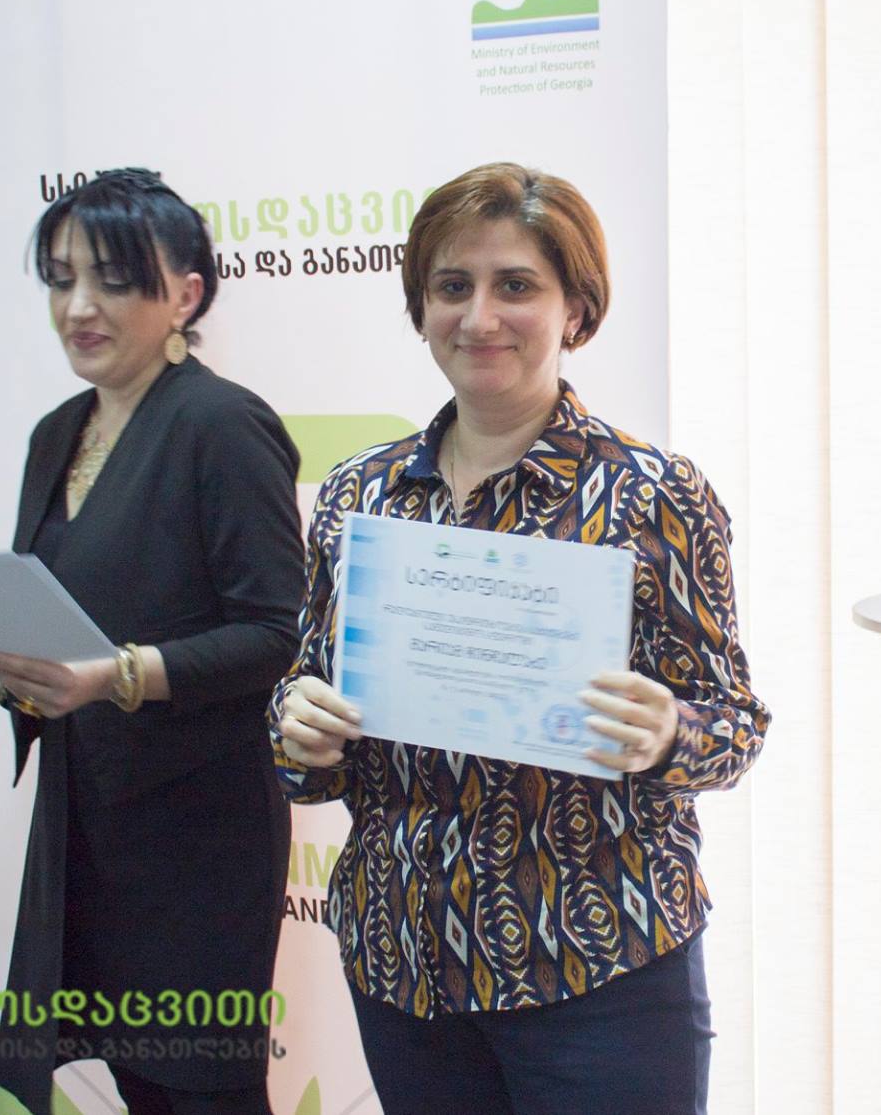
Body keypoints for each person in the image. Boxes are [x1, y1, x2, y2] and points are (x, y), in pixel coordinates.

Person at [270, 163, 765, 1115]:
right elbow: (306, 701)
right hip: (404, 962)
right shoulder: (359, 494)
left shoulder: (653, 493)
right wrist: (299, 729)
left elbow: (736, 722)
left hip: (597, 967)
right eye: (453, 286)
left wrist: (671, 732)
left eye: (517, 285)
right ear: (421, 307)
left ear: (576, 309)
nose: (480, 316)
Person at [0, 169, 305, 1115]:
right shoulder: (57, 433)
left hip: (199, 835)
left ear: (184, 295)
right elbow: (50, 614)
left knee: (205, 1090)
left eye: (112, 280)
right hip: (88, 821)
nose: (78, 307)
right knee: (133, 1082)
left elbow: (277, 632)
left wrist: (119, 676)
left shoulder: (222, 425)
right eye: (61, 278)